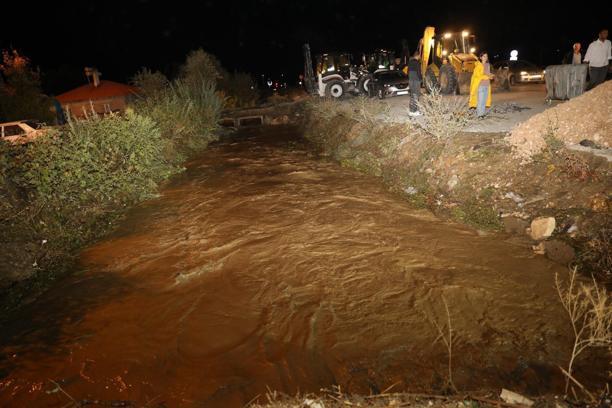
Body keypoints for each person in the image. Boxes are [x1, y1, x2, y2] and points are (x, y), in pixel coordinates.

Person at [469, 52, 494, 118]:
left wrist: (491, 75)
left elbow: (487, 74)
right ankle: (479, 115)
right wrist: (487, 77)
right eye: (484, 56)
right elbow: (478, 75)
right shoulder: (478, 65)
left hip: (487, 85)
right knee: (480, 101)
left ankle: (482, 114)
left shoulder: (488, 65)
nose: (485, 57)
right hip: (481, 85)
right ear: (481, 57)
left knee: (484, 101)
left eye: (486, 56)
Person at [407, 50, 422, 116]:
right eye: (419, 56)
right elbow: (419, 72)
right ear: (418, 55)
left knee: (412, 95)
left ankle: (411, 111)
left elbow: (407, 72)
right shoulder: (417, 63)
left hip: (411, 81)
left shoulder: (410, 62)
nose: (419, 57)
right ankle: (415, 111)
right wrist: (421, 79)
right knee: (416, 95)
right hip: (416, 81)